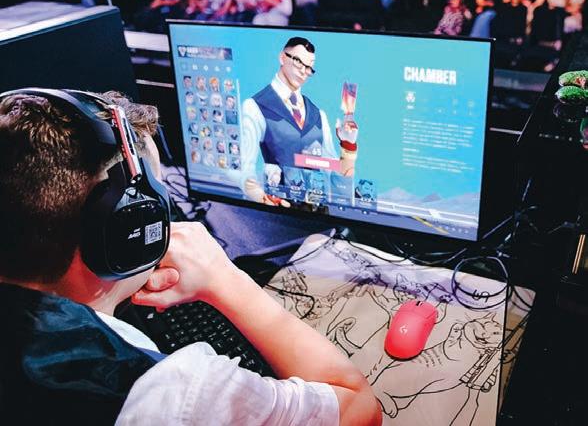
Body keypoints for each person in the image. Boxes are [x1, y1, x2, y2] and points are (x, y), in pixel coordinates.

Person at [0, 89, 381, 425]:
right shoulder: (171, 392)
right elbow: (358, 409)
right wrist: (224, 279)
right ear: (125, 234)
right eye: (158, 208)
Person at [241, 37, 359, 206]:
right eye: (298, 62)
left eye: (309, 67)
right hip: (276, 211)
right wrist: (262, 197)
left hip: (318, 213)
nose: (304, 71)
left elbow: (338, 187)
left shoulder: (319, 115)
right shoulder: (256, 106)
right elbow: (243, 168)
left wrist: (348, 145)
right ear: (282, 57)